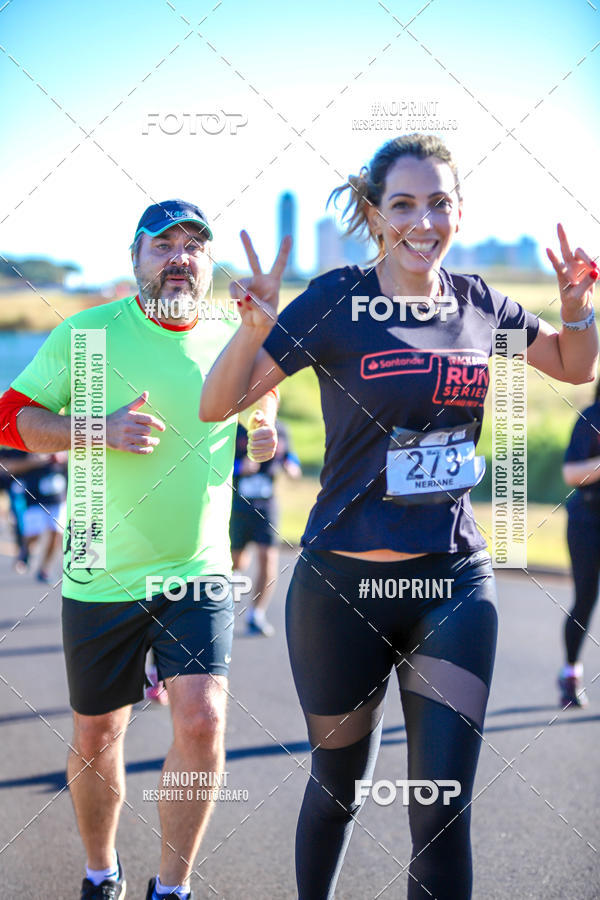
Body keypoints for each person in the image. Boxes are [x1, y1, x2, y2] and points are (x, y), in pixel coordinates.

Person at [200, 134, 598, 899]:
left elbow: (575, 366)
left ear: (459, 211)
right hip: (341, 585)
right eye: (405, 204)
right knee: (339, 787)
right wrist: (253, 328)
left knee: (442, 811)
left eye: (439, 203)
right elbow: (218, 406)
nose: (424, 221)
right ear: (377, 215)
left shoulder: (480, 304)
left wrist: (577, 312)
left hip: (454, 582)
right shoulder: (337, 300)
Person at [0, 199, 287, 900]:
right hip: (101, 567)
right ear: (136, 259)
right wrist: (96, 429)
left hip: (198, 567)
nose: (179, 257)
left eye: (194, 245)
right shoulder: (87, 335)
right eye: (163, 245)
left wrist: (263, 427)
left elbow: (263, 395)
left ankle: (173, 887)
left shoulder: (232, 332)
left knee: (203, 717)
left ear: (209, 263)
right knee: (98, 733)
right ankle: (102, 871)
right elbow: (10, 422)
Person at [231, 418, 301, 636]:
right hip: (238, 506)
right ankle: (225, 601)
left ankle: (256, 614)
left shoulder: (280, 429)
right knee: (236, 561)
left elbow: (291, 457)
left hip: (267, 506)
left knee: (268, 557)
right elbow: (216, 464)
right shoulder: (236, 426)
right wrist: (239, 467)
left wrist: (292, 468)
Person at [561, 378, 600, 707]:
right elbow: (571, 474)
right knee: (585, 600)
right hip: (587, 522)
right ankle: (570, 674)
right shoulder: (591, 417)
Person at [3, 450, 67, 582]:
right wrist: (37, 461)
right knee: (34, 535)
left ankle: (44, 569)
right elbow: (8, 467)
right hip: (34, 500)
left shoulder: (60, 444)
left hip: (57, 500)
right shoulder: (26, 446)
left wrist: (62, 459)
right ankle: (25, 552)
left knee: (56, 533)